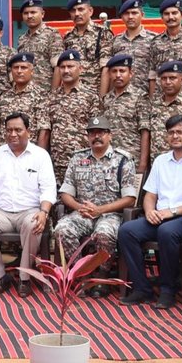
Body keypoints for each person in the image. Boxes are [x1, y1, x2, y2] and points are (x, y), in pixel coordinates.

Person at [117, 114, 182, 309]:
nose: (175, 136)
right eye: (171, 132)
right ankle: (141, 288)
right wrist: (148, 211)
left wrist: (173, 211)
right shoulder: (161, 161)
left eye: (180, 132)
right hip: (159, 216)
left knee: (167, 231)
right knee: (127, 231)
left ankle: (168, 290)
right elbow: (149, 196)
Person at [0, 111, 57, 296]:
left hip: (30, 211)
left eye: (18, 130)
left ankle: (24, 278)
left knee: (34, 223)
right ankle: (0, 276)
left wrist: (44, 211)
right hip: (1, 212)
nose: (13, 134)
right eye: (9, 130)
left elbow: (49, 189)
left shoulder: (40, 155)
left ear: (28, 132)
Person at [53, 116, 138, 293]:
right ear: (88, 136)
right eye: (92, 133)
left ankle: (102, 275)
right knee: (61, 230)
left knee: (104, 233)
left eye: (101, 133)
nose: (96, 136)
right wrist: (79, 207)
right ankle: (80, 275)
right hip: (82, 213)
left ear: (110, 136)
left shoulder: (123, 160)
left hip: (110, 214)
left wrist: (100, 209)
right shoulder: (77, 159)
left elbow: (130, 198)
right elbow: (66, 193)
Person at [44, 49, 99, 184]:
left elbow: (96, 132)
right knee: (58, 202)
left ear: (80, 68)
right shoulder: (51, 97)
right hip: (57, 163)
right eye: (62, 67)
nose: (66, 71)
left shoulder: (91, 96)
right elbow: (46, 131)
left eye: (70, 66)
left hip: (84, 161)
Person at [99, 53, 149, 173]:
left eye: (122, 71)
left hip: (131, 160)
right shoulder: (106, 99)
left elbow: (145, 132)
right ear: (109, 74)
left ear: (130, 74)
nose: (118, 75)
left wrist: (142, 164)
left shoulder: (140, 97)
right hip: (109, 161)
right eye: (114, 71)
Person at [106, 0, 156, 97]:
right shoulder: (115, 41)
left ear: (142, 15)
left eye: (134, 13)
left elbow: (156, 73)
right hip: (121, 100)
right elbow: (111, 72)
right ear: (122, 17)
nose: (130, 17)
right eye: (126, 13)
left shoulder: (154, 40)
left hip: (145, 97)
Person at [14, 0, 61, 90]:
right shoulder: (22, 39)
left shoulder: (52, 34)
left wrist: (53, 94)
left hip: (44, 92)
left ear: (42, 14)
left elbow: (58, 67)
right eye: (26, 13)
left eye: (33, 12)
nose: (29, 16)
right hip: (26, 95)